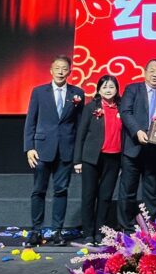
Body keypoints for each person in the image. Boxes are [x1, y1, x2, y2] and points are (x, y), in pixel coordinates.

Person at [24, 55, 85, 246]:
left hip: (66, 149)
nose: (60, 71)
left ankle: (57, 231)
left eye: (64, 68)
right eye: (57, 68)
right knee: (38, 190)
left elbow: (80, 125)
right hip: (42, 149)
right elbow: (31, 121)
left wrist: (78, 155)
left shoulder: (77, 93)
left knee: (61, 191)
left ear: (70, 72)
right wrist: (29, 147)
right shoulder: (39, 92)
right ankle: (36, 230)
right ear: (51, 70)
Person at [118, 59, 156, 226]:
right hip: (133, 147)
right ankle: (127, 227)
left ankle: (150, 227)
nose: (155, 74)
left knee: (152, 191)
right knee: (128, 190)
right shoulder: (132, 89)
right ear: (145, 72)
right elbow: (125, 112)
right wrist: (137, 131)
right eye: (152, 71)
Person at [73, 75, 123, 245]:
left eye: (111, 87)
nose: (108, 90)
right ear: (99, 90)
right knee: (89, 195)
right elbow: (81, 134)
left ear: (117, 89)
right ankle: (88, 233)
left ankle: (100, 232)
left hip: (114, 157)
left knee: (105, 197)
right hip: (92, 158)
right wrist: (77, 160)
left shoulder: (122, 108)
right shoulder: (91, 107)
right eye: (105, 87)